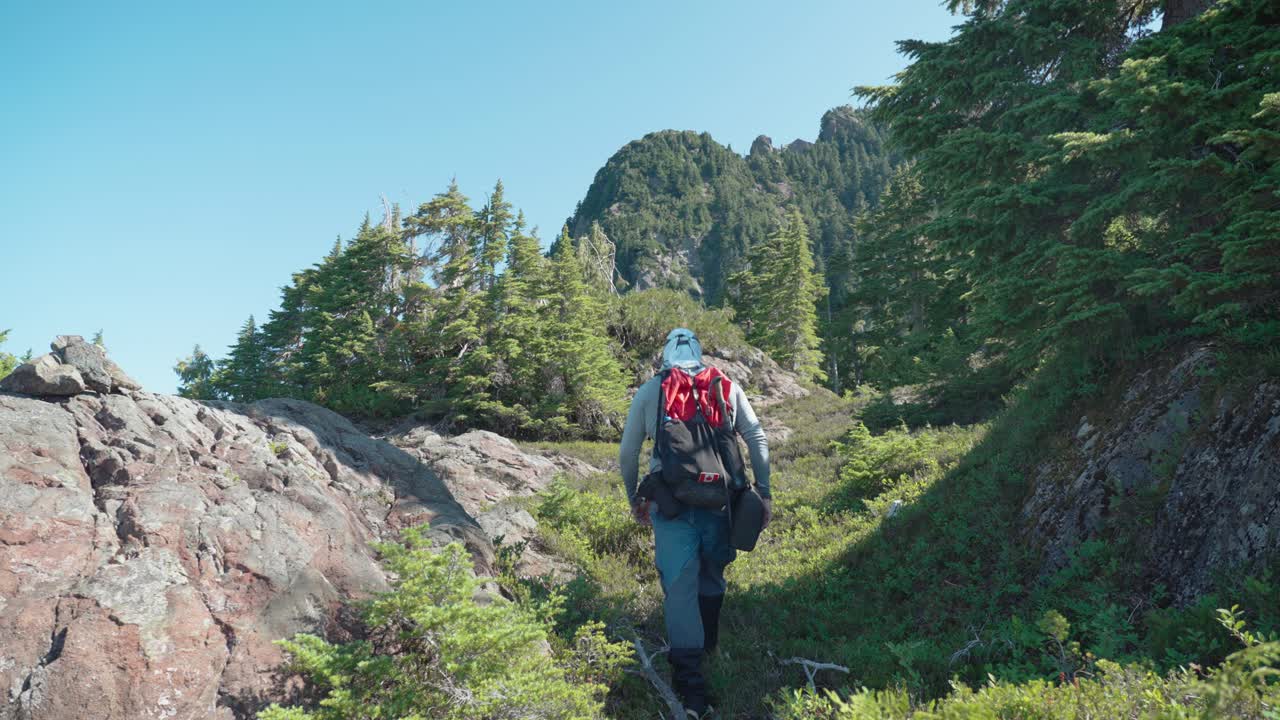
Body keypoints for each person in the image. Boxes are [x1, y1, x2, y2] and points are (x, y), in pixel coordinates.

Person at [619, 328, 772, 716]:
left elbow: (628, 451)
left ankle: (690, 686)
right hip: (721, 501)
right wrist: (764, 489)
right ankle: (709, 648)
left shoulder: (651, 391)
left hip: (670, 503)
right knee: (712, 575)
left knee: (680, 584)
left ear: (664, 357)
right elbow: (755, 436)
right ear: (700, 356)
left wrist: (632, 496)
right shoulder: (725, 386)